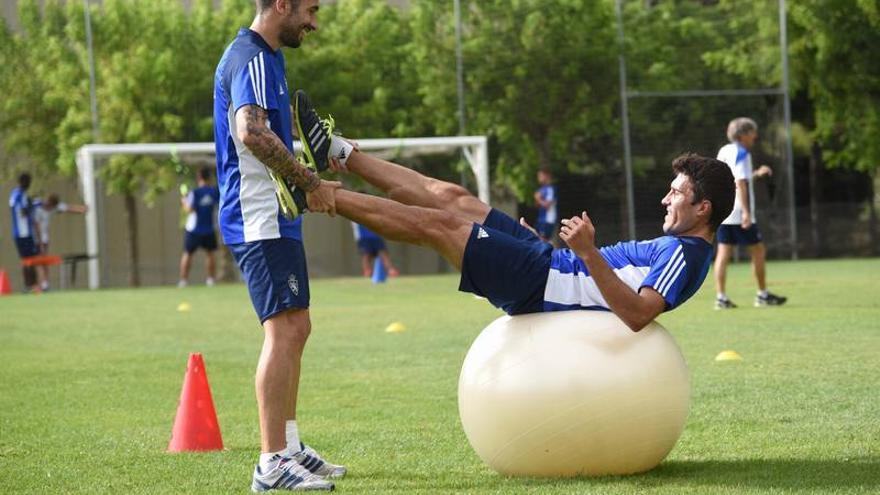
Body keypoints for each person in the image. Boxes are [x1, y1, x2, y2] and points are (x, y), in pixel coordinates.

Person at [285, 92, 736, 332]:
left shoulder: (687, 253)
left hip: (540, 283)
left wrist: (588, 252)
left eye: (676, 193)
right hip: (547, 263)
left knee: (442, 226)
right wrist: (566, 252)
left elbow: (638, 316)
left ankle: (313, 193)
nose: (666, 199)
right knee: (454, 197)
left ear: (703, 208)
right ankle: (338, 153)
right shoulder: (681, 245)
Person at [213, 0, 347, 491]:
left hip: (276, 216)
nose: (314, 22)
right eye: (310, 9)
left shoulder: (269, 56)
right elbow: (251, 131)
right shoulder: (250, 56)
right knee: (283, 332)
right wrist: (309, 181)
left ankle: (289, 448)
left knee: (297, 326)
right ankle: (271, 464)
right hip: (258, 216)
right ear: (282, 4)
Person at [713, 117, 787, 309]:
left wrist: (755, 174)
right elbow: (740, 183)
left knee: (723, 252)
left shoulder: (724, 150)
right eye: (752, 132)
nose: (755, 136)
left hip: (724, 210)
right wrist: (746, 212)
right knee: (758, 250)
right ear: (743, 134)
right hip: (738, 211)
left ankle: (721, 297)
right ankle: (762, 295)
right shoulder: (743, 153)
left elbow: (732, 179)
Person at [178, 167, 220, 288]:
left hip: (193, 230)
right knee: (210, 254)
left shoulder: (195, 193)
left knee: (187, 254)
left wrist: (184, 202)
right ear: (209, 178)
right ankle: (210, 280)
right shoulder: (214, 192)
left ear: (199, 178)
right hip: (209, 228)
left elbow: (189, 209)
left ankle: (183, 281)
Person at [8, 173, 46, 292]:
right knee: (32, 259)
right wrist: (32, 205)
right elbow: (23, 212)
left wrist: (33, 203)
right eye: (28, 181)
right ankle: (34, 285)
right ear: (24, 182)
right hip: (24, 233)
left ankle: (29, 286)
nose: (29, 184)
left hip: (19, 233)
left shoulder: (14, 195)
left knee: (26, 259)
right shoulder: (20, 195)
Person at [533, 168, 558, 243]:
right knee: (538, 238)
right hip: (541, 219)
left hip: (548, 219)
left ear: (547, 176)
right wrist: (537, 200)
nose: (539, 178)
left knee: (543, 240)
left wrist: (538, 199)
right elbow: (537, 205)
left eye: (540, 176)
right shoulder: (542, 189)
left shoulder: (550, 189)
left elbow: (547, 205)